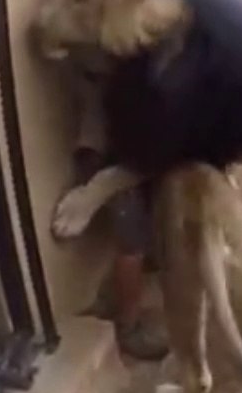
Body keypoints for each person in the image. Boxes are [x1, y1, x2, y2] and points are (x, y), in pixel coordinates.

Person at [68, 54, 168, 362]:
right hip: (108, 156)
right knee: (132, 242)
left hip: (119, 151)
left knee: (142, 230)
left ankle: (129, 300)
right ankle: (129, 329)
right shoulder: (128, 61)